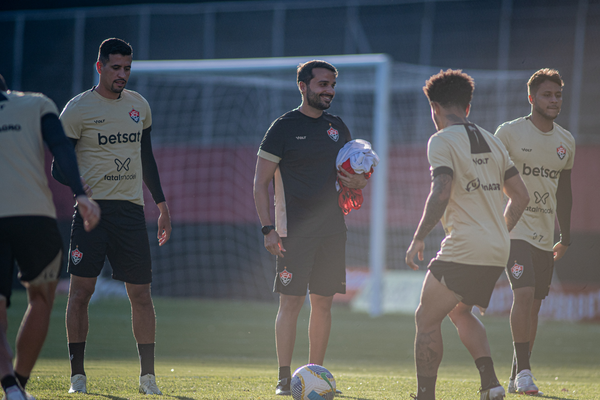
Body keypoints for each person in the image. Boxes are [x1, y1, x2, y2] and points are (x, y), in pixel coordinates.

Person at [51, 38, 172, 395]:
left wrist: (162, 205)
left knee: (142, 295)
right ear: (100, 66)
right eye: (116, 68)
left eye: (127, 68)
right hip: (92, 213)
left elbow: (146, 158)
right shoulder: (77, 109)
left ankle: (148, 378)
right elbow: (59, 166)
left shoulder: (139, 106)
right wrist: (80, 190)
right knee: (81, 292)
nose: (122, 75)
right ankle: (77, 377)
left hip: (132, 213)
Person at [405, 69, 530, 400]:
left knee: (426, 318)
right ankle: (490, 384)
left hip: (465, 247)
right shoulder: (493, 140)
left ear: (434, 108)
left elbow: (441, 191)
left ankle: (424, 395)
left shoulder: (441, 140)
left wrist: (419, 236)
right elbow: (521, 196)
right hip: (497, 248)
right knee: (460, 312)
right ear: (468, 107)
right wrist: (498, 235)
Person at [253, 60, 368, 396]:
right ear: (303, 86)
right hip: (292, 233)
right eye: (322, 85)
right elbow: (259, 183)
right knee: (290, 303)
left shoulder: (338, 127)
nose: (329, 90)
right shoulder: (283, 127)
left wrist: (358, 180)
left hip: (333, 230)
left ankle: (317, 376)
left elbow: (351, 179)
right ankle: (284, 378)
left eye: (332, 85)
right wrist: (267, 229)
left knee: (324, 303)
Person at [0, 74, 100, 400]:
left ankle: (10, 387)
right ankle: (19, 386)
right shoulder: (37, 102)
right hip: (35, 217)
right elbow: (60, 147)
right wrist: (81, 194)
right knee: (41, 300)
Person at [494, 68, 575, 395]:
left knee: (536, 305)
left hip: (545, 236)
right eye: (547, 94)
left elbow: (564, 193)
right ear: (531, 98)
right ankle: (526, 372)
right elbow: (490, 175)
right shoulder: (509, 133)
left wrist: (565, 237)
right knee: (523, 293)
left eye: (557, 95)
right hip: (514, 231)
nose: (554, 100)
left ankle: (516, 375)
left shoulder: (566, 141)